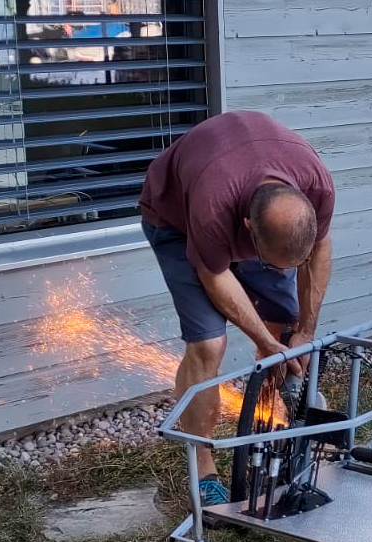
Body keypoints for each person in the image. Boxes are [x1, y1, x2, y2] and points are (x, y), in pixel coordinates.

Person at [139, 110, 335, 507]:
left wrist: (304, 332)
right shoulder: (212, 206)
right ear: (247, 230)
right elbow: (215, 275)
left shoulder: (317, 188)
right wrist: (263, 341)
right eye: (273, 263)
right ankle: (203, 469)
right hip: (176, 220)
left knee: (284, 330)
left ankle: (276, 439)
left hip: (250, 204)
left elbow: (318, 252)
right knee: (208, 345)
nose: (283, 272)